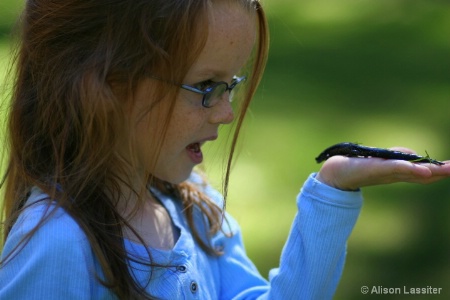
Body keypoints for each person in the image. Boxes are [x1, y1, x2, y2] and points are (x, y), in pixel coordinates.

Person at [0, 0, 449, 299]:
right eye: (206, 87)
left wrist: (332, 192)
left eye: (231, 85)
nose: (227, 114)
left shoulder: (196, 209)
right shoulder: (58, 246)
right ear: (106, 83)